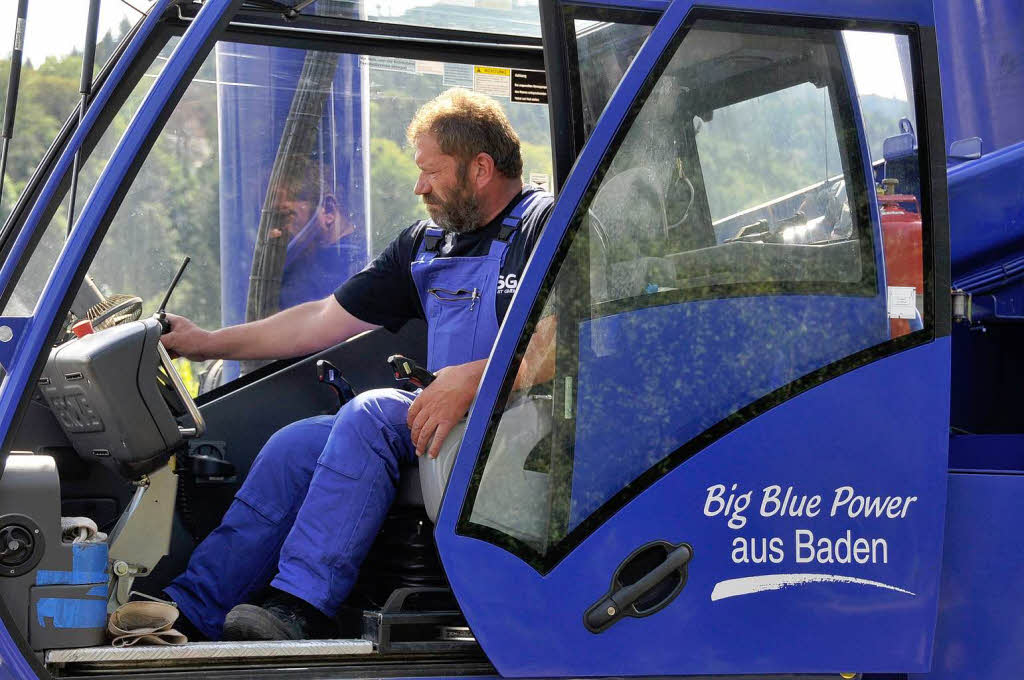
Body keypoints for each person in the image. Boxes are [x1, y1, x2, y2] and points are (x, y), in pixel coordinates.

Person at [160, 88, 554, 642]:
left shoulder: (546, 228)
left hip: (517, 424)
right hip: (442, 418)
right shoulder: (427, 243)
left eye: (431, 172)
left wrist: (476, 378)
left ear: (481, 168)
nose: (419, 187)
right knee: (297, 443)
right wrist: (205, 343)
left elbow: (569, 337)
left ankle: (300, 605)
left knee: (369, 414)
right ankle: (190, 612)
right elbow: (322, 318)